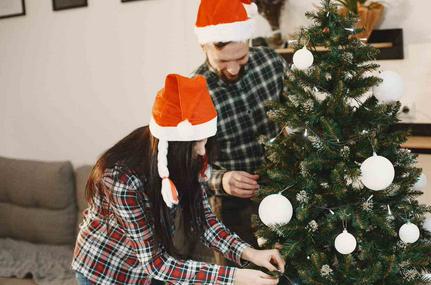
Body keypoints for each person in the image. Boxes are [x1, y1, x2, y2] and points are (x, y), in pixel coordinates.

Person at [72, 74, 285, 284]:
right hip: (104, 271)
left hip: (149, 270)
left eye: (205, 141)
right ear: (173, 145)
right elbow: (156, 264)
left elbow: (206, 223)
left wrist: (250, 253)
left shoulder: (186, 162)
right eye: (196, 144)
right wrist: (234, 277)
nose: (202, 152)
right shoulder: (121, 179)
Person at [192, 0, 288, 252]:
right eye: (223, 61)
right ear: (203, 45)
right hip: (232, 209)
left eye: (241, 57)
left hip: (286, 188)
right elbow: (184, 165)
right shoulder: (194, 93)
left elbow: (300, 117)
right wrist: (220, 180)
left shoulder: (271, 63)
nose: (233, 68)